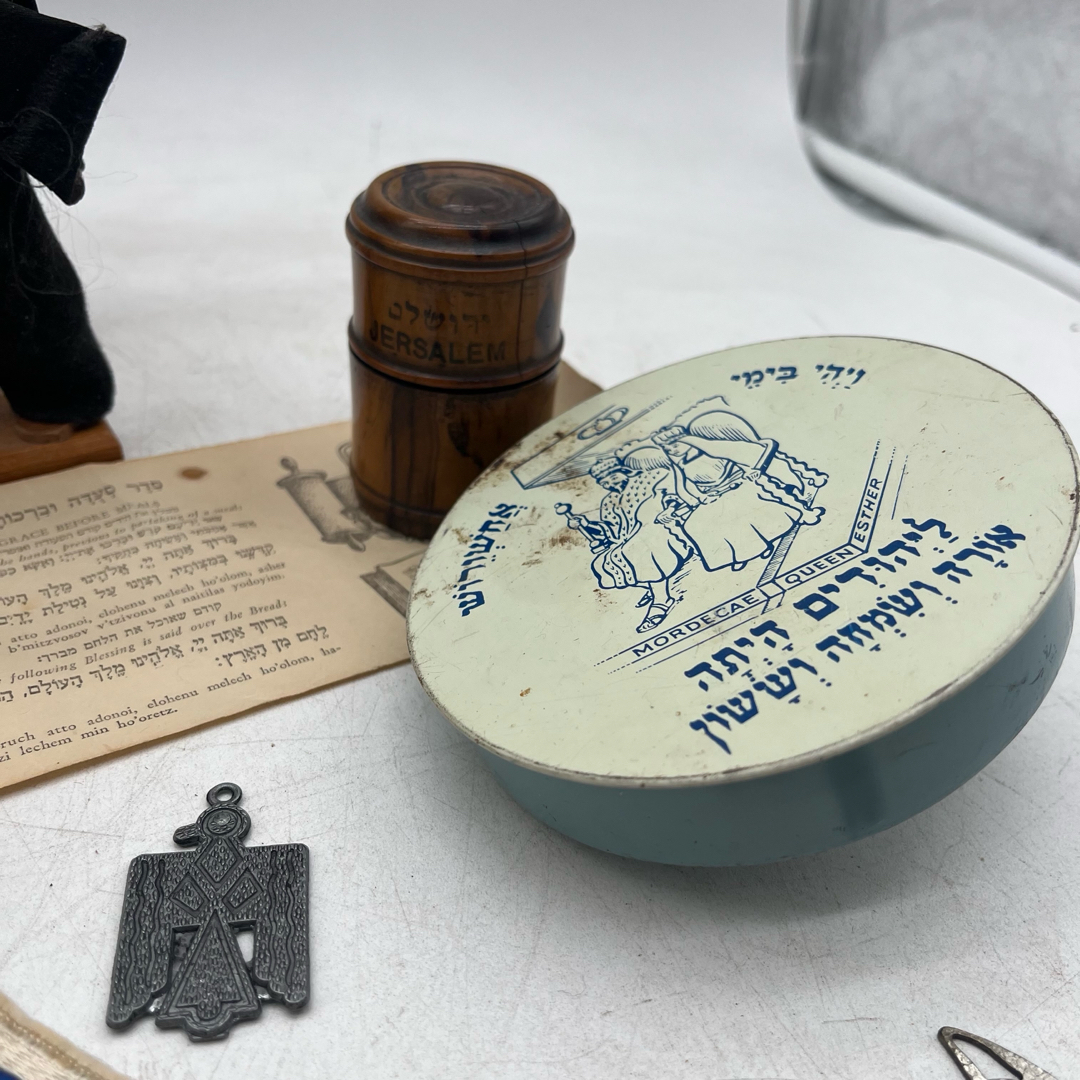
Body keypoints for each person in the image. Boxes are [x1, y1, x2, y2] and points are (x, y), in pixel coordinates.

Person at [653, 409, 826, 572]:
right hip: (715, 496)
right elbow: (684, 488)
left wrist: (753, 470)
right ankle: (738, 555)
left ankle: (763, 543)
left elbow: (747, 454)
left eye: (675, 445)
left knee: (737, 507)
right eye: (668, 450)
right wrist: (700, 497)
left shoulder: (709, 449)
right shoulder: (681, 466)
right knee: (694, 524)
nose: (672, 451)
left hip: (739, 485)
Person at [557, 453, 693, 633]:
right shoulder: (610, 501)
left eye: (612, 478)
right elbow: (611, 528)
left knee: (644, 555)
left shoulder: (653, 478)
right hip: (632, 537)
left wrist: (669, 509)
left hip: (664, 526)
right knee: (602, 563)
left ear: (624, 471)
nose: (610, 484)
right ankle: (651, 586)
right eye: (605, 483)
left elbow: (677, 493)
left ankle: (662, 599)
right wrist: (586, 525)